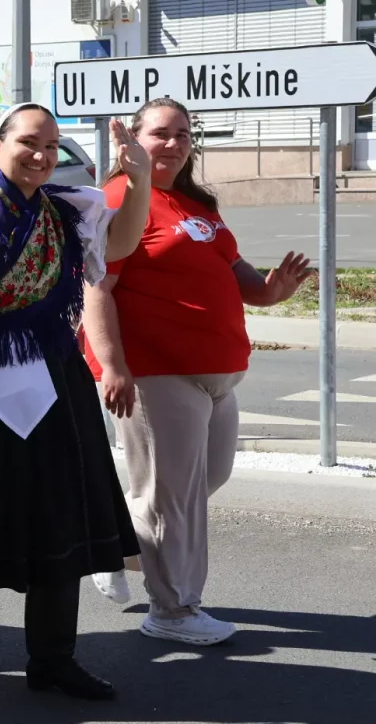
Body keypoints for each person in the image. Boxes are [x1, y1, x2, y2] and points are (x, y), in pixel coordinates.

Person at [0, 102, 152, 700]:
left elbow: (119, 244)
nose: (42, 156)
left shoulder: (64, 212)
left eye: (51, 146)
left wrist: (137, 176)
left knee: (60, 514)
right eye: (28, 143)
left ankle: (53, 657)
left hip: (55, 378)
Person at [82, 98, 310, 645]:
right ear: (132, 140)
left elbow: (235, 271)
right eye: (160, 133)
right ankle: (174, 611)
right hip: (157, 370)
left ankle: (117, 546)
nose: (175, 143)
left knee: (202, 482)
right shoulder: (119, 197)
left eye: (184, 134)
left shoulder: (195, 205)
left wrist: (270, 291)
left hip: (219, 373)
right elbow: (97, 287)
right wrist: (112, 365)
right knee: (170, 497)